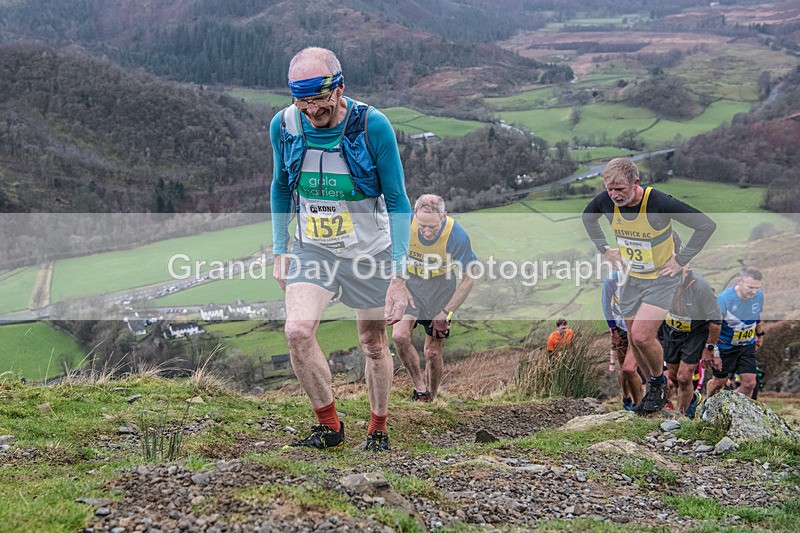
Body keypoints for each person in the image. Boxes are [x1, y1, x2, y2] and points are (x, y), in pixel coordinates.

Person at [270, 47, 412, 452]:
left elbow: (399, 201)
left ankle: (378, 428)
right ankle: (329, 426)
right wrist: (281, 249)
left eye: (320, 99)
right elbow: (281, 185)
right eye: (303, 100)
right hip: (314, 249)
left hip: (369, 253)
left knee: (373, 343)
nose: (312, 110)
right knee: (297, 332)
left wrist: (399, 276)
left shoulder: (373, 126)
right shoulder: (283, 125)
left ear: (340, 88)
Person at [582, 157, 716, 414]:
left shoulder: (658, 202)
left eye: (620, 189)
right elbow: (588, 217)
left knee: (643, 336)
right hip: (632, 277)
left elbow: (705, 225)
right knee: (634, 339)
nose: (614, 195)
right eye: (609, 189)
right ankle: (655, 386)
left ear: (635, 183)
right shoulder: (606, 201)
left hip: (662, 277)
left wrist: (682, 259)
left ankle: (658, 384)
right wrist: (604, 249)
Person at [392, 194, 478, 402]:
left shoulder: (456, 235)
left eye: (432, 227)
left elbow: (470, 277)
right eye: (422, 226)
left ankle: (433, 395)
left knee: (431, 352)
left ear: (443, 216)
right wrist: (400, 285)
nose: (427, 232)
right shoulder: (404, 224)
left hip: (441, 289)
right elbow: (387, 256)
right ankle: (421, 390)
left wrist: (446, 312)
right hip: (411, 284)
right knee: (400, 337)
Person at [658, 267, 722, 418]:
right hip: (671, 331)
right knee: (673, 377)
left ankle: (682, 417)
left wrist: (709, 348)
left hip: (695, 333)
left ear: (687, 271)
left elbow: (716, 321)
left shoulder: (701, 287)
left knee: (684, 377)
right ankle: (692, 398)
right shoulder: (661, 281)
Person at [706, 267, 765, 399]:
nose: (754, 291)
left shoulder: (759, 295)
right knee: (719, 383)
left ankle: (731, 407)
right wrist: (714, 353)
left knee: (750, 383)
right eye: (750, 287)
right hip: (725, 347)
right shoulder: (723, 299)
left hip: (747, 345)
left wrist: (760, 335)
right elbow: (713, 327)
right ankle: (707, 405)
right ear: (739, 281)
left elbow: (757, 315)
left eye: (757, 288)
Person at [602, 269, 644, 410]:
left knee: (629, 369)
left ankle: (639, 405)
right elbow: (606, 304)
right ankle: (627, 398)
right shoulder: (612, 279)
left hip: (638, 326)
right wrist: (613, 330)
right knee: (624, 367)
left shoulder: (643, 277)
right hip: (620, 328)